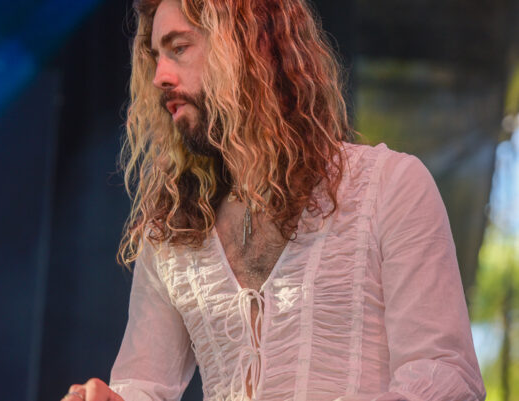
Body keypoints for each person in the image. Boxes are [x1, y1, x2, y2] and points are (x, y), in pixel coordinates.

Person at [63, 0, 486, 400]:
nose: (159, 77)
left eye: (178, 48)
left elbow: (445, 374)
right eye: (156, 56)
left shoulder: (388, 185)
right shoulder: (173, 232)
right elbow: (144, 384)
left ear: (247, 48)